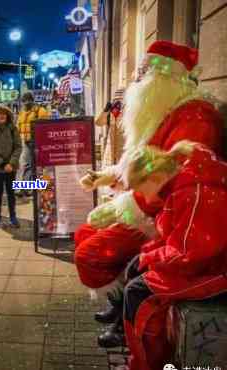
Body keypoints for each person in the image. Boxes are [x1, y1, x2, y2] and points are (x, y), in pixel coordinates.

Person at [73, 40, 225, 347]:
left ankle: (125, 315)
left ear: (166, 79)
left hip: (162, 216)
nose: (136, 82)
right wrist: (108, 177)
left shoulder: (194, 118)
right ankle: (119, 306)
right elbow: (145, 163)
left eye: (144, 74)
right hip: (157, 210)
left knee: (91, 252)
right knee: (85, 235)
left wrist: (118, 210)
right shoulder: (164, 111)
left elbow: (164, 181)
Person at [119, 141, 227, 370]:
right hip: (207, 263)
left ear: (155, 178)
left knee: (137, 296)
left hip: (214, 271)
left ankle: (147, 364)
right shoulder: (184, 184)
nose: (144, 198)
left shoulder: (194, 193)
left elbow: (189, 254)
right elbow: (176, 236)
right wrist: (147, 255)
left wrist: (149, 258)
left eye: (141, 190)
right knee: (136, 274)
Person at [16, 91, 50, 197]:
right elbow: (18, 126)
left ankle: (28, 188)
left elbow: (45, 127)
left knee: (34, 166)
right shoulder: (22, 113)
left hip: (36, 142)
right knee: (26, 165)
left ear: (32, 100)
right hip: (24, 142)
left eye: (28, 100)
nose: (26, 103)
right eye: (24, 101)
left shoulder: (41, 111)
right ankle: (25, 188)